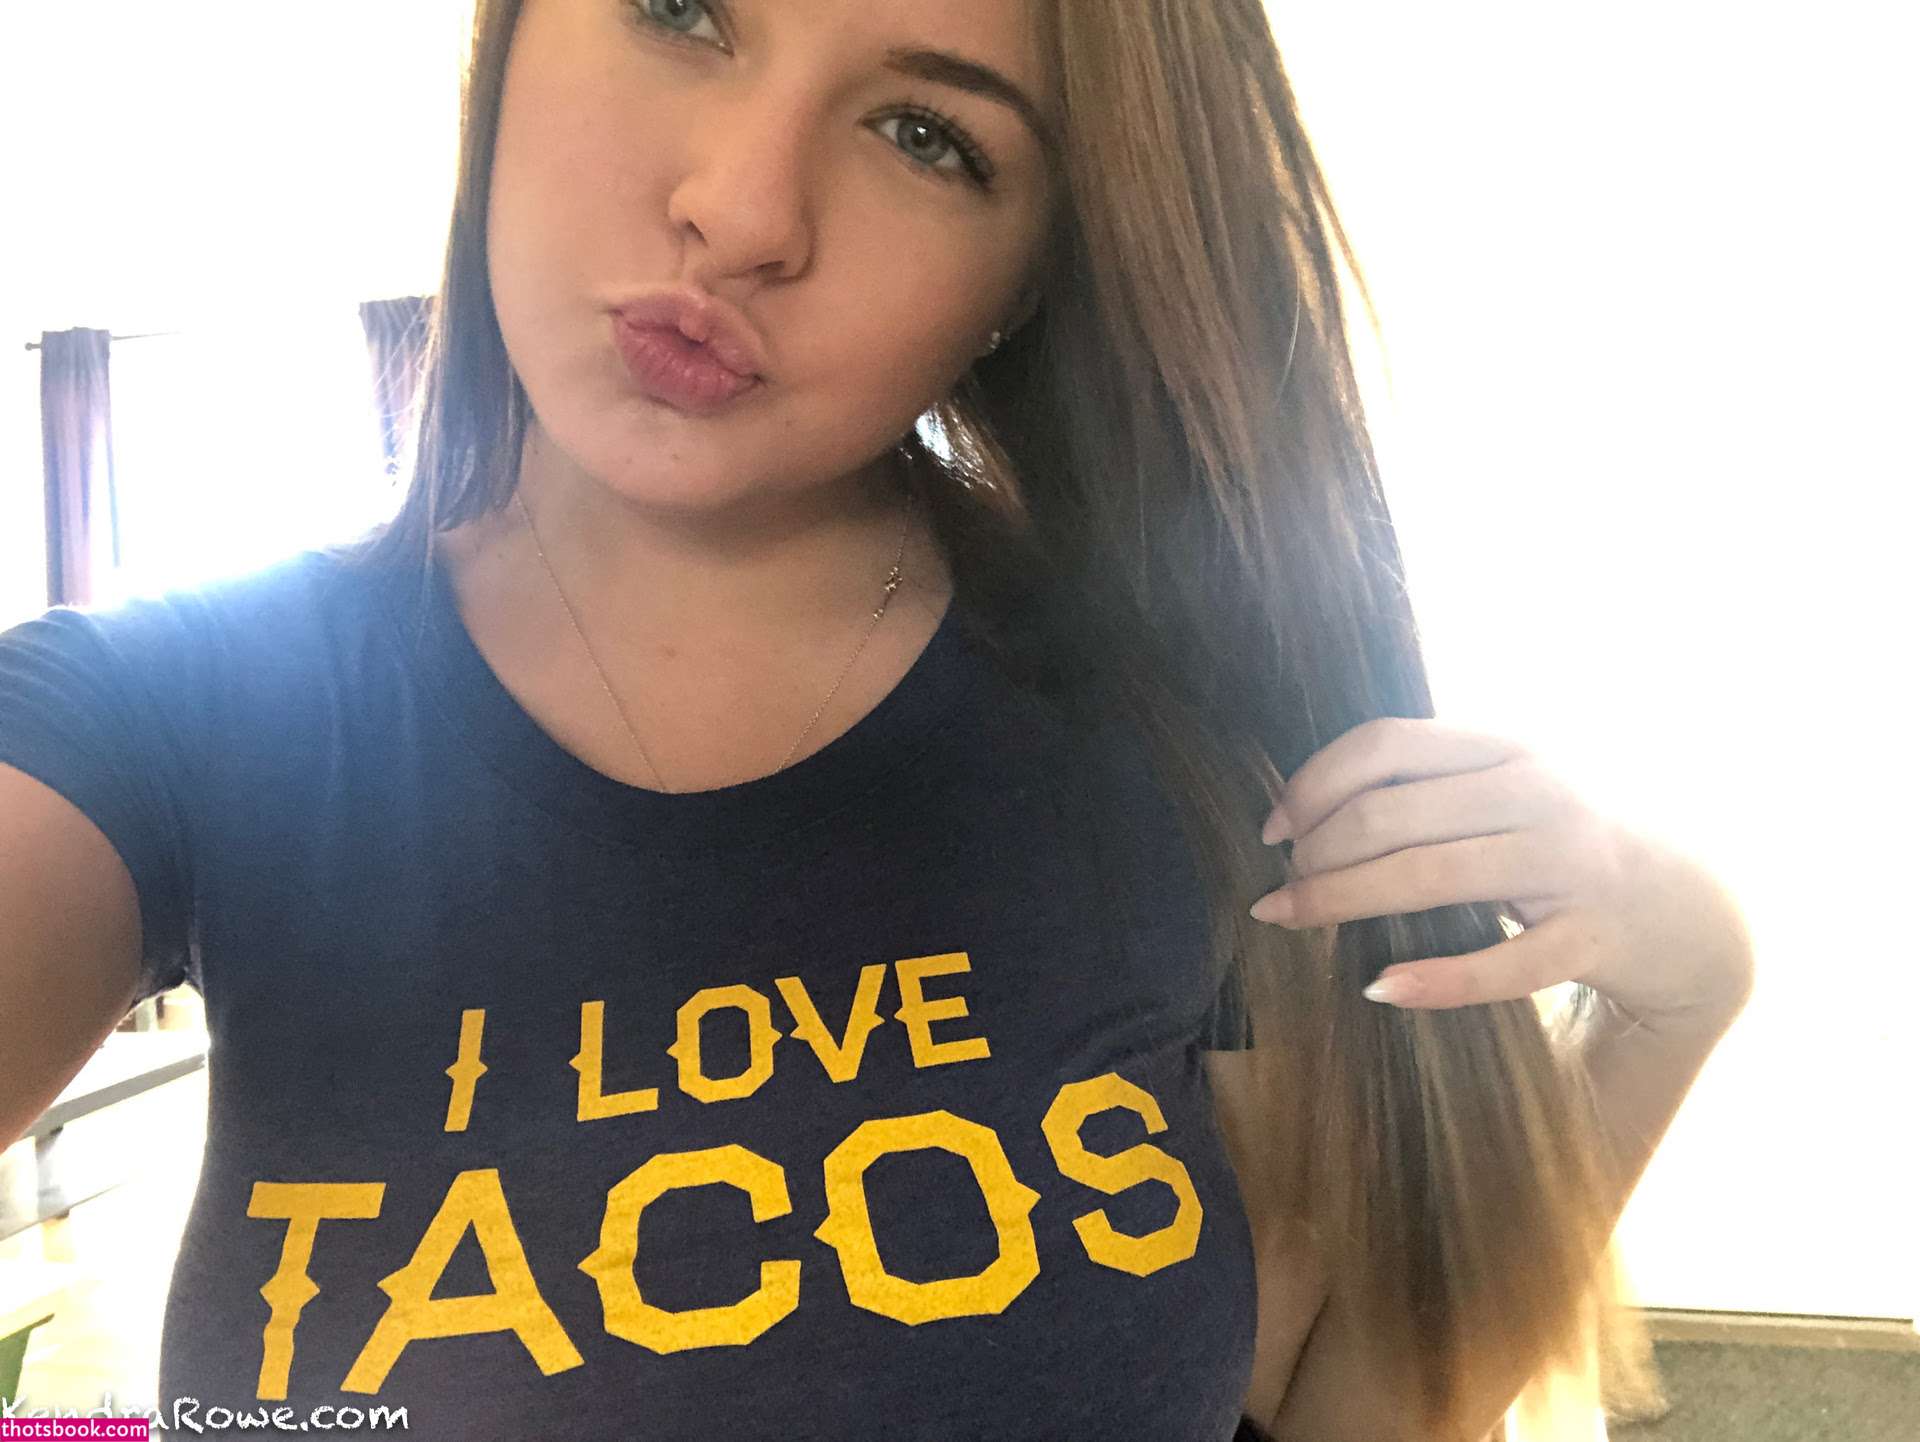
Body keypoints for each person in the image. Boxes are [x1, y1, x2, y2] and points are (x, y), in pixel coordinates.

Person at [1, 2, 1754, 1439]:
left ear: (1030, 276)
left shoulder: (1174, 751)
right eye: (681, 7)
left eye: (929, 134)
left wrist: (1686, 980)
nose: (744, 208)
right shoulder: (169, 717)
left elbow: (1351, 1413)